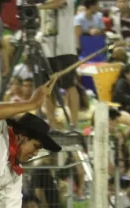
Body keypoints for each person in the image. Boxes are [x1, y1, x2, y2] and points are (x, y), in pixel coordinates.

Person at [39, 0, 80, 130]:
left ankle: (74, 123)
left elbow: (60, 2)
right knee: (48, 88)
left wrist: (39, 6)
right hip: (46, 47)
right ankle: (52, 123)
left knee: (69, 85)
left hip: (65, 48)